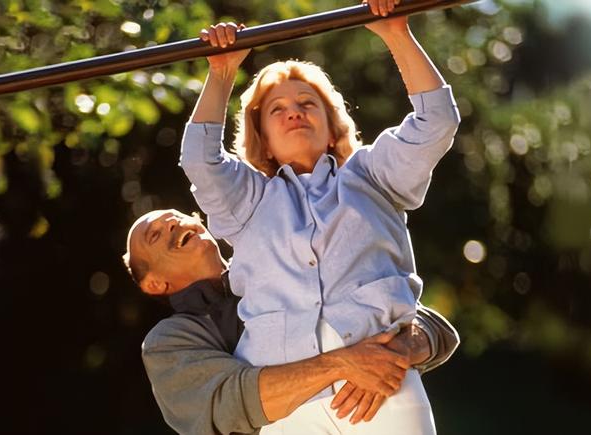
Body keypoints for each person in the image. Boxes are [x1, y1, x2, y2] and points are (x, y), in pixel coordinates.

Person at [180, 0, 460, 432]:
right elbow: (200, 160)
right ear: (265, 142)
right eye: (277, 109)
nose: (294, 111)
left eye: (308, 103)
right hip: (289, 402)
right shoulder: (247, 200)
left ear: (333, 130)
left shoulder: (373, 176)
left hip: (381, 384)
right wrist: (221, 74)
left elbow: (436, 121)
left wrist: (395, 33)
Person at [124, 209, 460, 435]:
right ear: (154, 284)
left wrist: (397, 349)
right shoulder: (168, 342)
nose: (171, 224)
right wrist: (343, 364)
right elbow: (232, 403)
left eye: (179, 217)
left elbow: (434, 326)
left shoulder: (281, 271)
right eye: (154, 235)